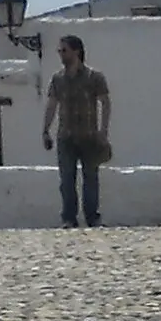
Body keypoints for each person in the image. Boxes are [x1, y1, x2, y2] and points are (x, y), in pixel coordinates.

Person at [42, 33, 111, 227]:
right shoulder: (57, 79)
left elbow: (105, 103)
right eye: (59, 51)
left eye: (64, 51)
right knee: (66, 180)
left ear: (76, 51)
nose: (61, 55)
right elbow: (52, 105)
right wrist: (45, 130)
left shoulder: (94, 77)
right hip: (66, 136)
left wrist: (103, 132)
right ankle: (69, 218)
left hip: (89, 135)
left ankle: (92, 217)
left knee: (90, 178)